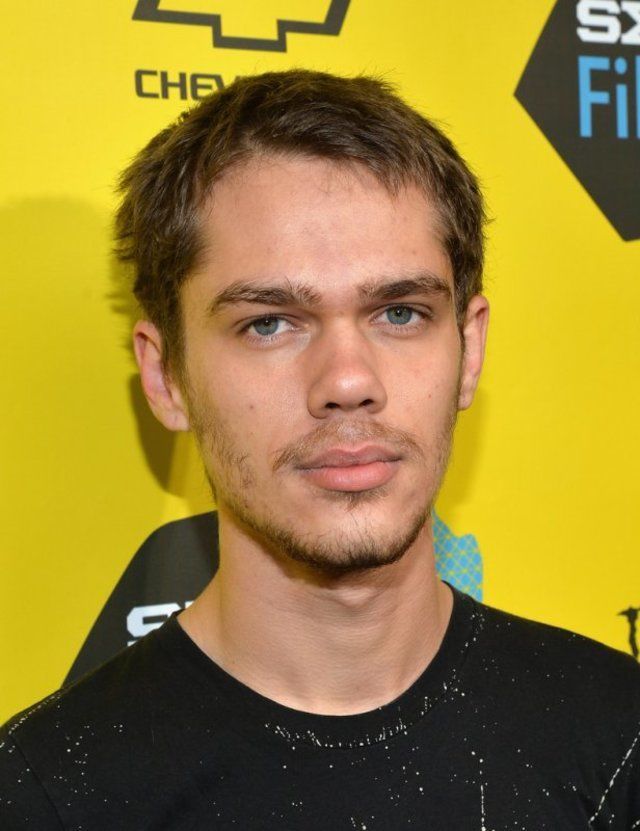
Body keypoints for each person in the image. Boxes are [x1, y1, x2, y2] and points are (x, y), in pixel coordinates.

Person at [1, 69, 639, 830]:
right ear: (166, 375)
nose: (347, 381)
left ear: (469, 351)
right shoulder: (44, 795)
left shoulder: (619, 743)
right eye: (269, 323)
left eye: (400, 313)